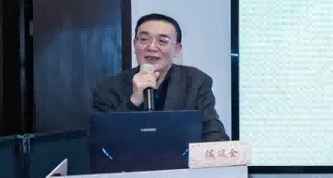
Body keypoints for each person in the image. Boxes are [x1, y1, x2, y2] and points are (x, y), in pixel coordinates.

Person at [91, 13, 229, 142]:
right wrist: (134, 101)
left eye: (162, 41)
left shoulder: (196, 82)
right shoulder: (108, 88)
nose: (152, 47)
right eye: (144, 39)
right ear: (135, 44)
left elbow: (214, 133)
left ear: (177, 49)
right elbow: (102, 141)